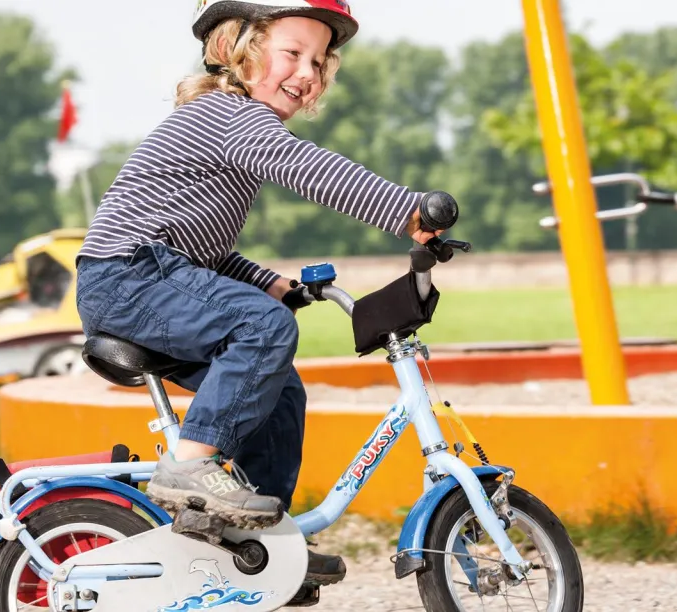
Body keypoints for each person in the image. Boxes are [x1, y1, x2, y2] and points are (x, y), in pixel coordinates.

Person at [72, 0, 443, 587]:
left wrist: (269, 283)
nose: (307, 73)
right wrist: (408, 211)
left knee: (278, 389)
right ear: (239, 52)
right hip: (128, 276)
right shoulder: (231, 115)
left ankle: (260, 549)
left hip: (149, 275)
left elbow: (203, 253)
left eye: (319, 62)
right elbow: (312, 170)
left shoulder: (233, 132)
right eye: (291, 53)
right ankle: (190, 469)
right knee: (263, 328)